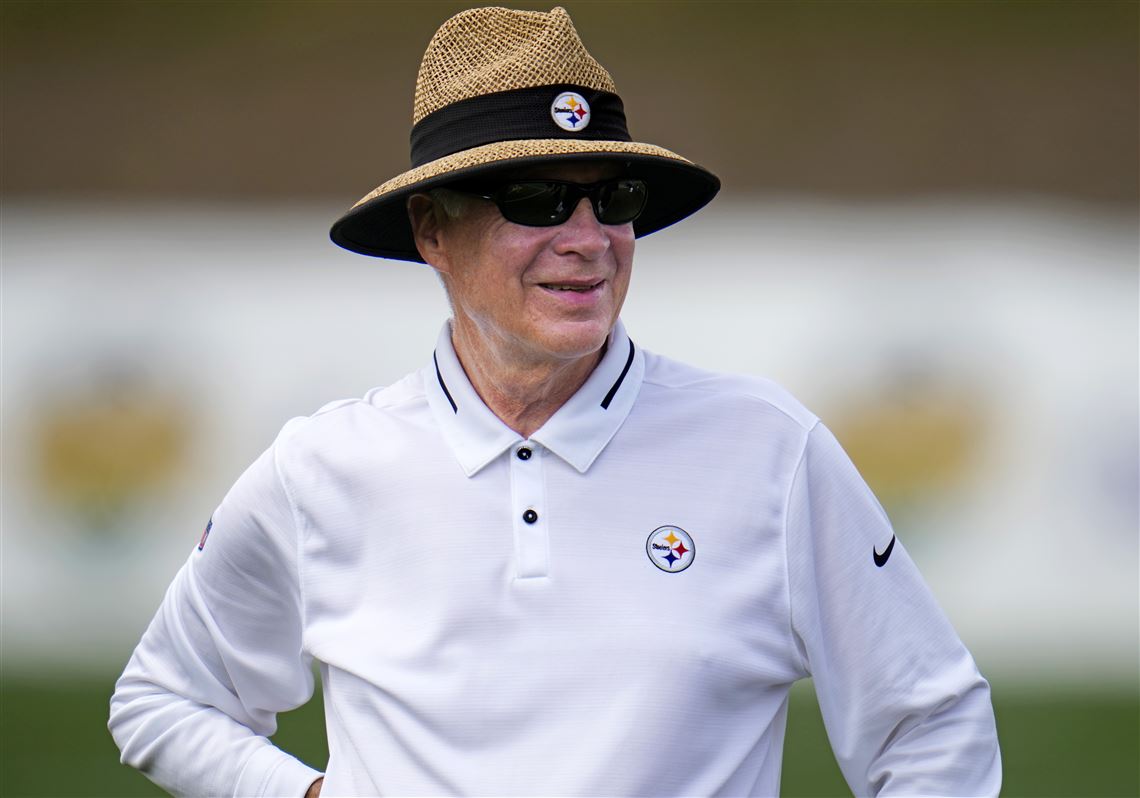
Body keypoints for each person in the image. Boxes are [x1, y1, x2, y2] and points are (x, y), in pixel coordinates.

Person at [109, 6, 1001, 797]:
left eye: (612, 199)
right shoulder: (323, 468)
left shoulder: (770, 450)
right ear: (433, 230)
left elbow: (931, 729)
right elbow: (164, 700)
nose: (589, 241)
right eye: (536, 200)